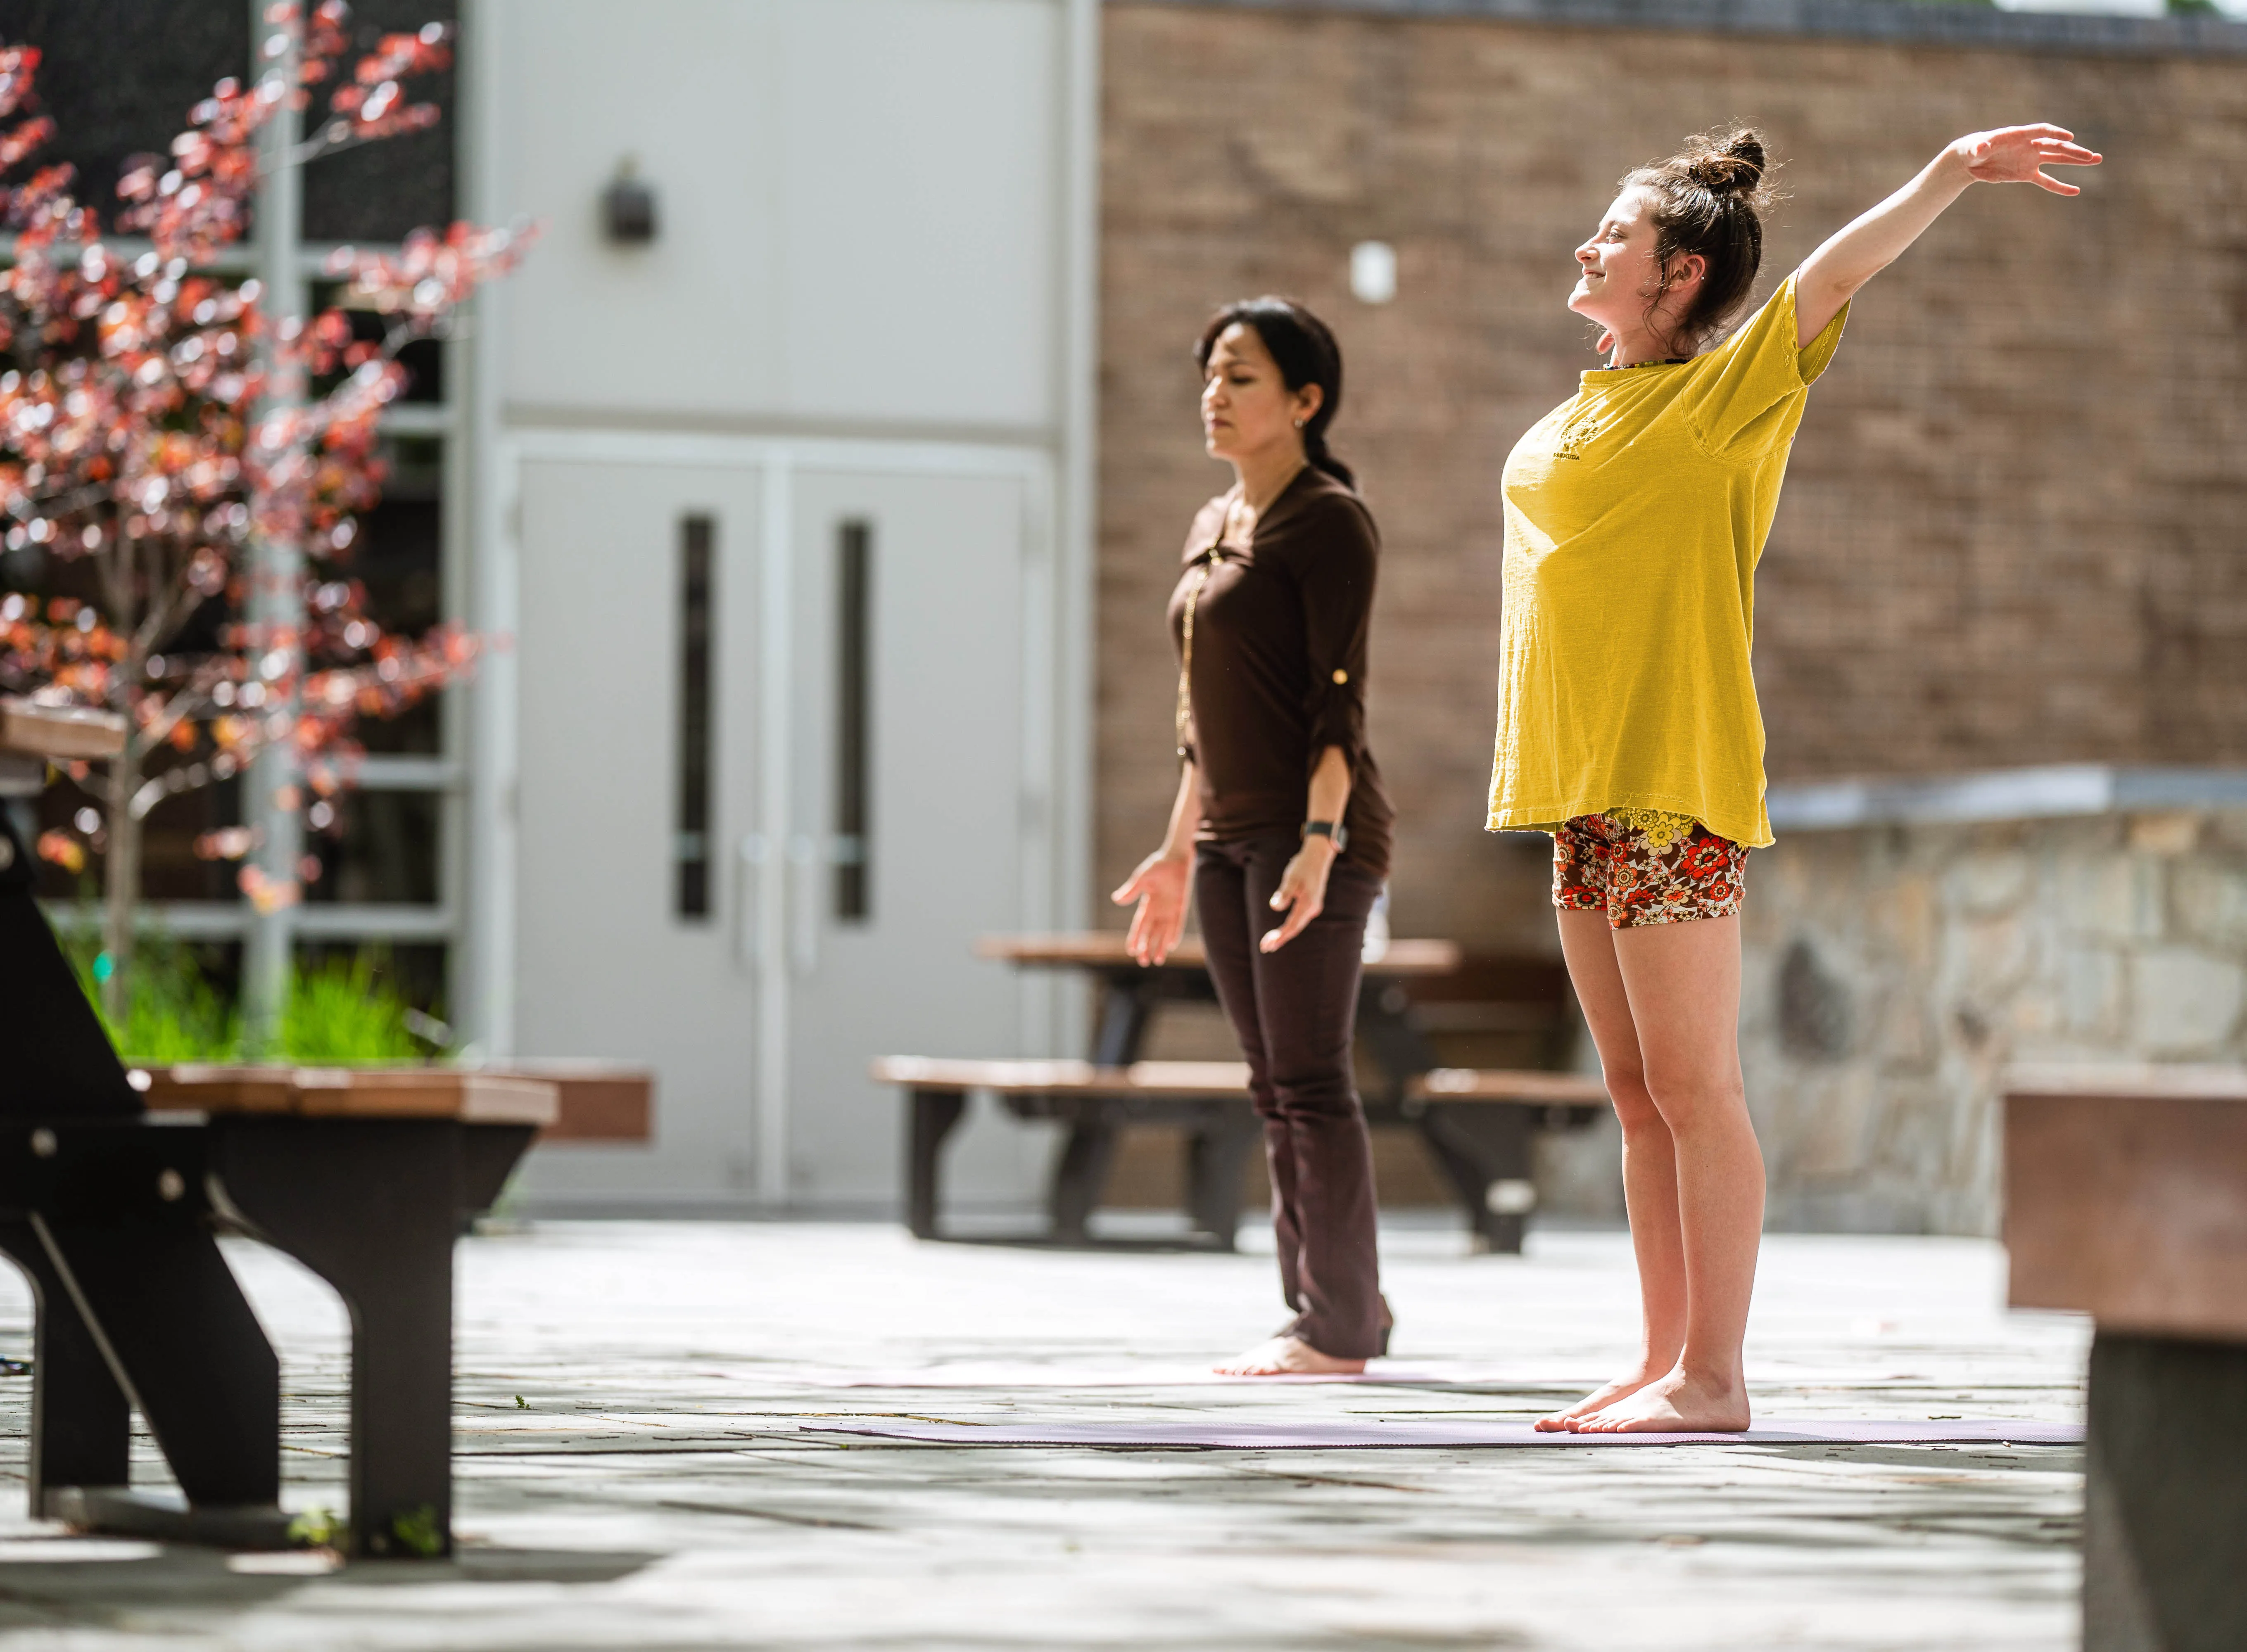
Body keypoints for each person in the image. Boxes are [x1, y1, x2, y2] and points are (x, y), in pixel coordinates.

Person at [1488, 123, 2100, 1432]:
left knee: (1698, 1091)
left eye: (1619, 235)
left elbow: (1829, 277)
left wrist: (1945, 174)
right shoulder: (1583, 406)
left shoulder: (1726, 398)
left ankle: (1716, 1380)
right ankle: (1663, 1363)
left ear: (1685, 273)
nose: (1589, 244)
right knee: (1638, 1098)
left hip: (1674, 782)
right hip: (1581, 794)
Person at [1112, 297, 1397, 1377]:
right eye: (1210, 375)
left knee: (1312, 1076)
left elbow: (1340, 709)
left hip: (1310, 835)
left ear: (1305, 400)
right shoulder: (1211, 525)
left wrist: (1322, 845)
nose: (1215, 397)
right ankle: (1334, 1307)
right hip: (1230, 839)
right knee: (1272, 1081)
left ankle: (1335, 1330)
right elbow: (1200, 719)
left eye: (1240, 377)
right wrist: (1179, 850)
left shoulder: (1328, 520)